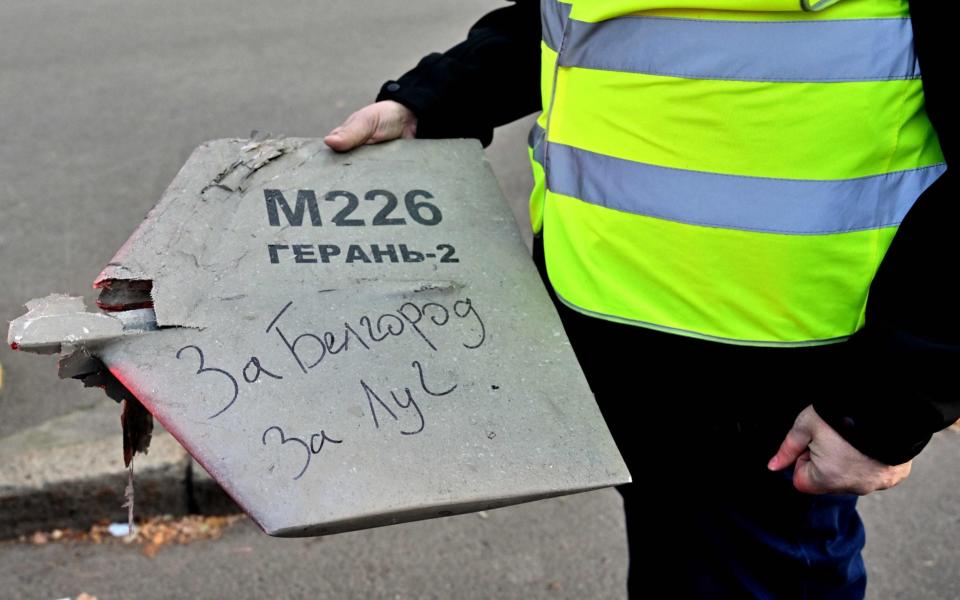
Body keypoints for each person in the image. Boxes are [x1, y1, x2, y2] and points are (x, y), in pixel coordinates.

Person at [324, 1, 957, 597]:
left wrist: (890, 402)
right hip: (608, 338)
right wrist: (434, 99)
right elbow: (570, 21)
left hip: (774, 382)